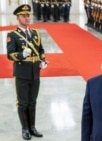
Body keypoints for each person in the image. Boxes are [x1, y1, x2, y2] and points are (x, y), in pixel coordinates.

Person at [6, 4, 47, 140]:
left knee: (32, 101)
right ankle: (25, 129)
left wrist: (42, 60)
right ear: (18, 18)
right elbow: (10, 55)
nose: (27, 17)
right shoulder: (13, 35)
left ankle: (32, 127)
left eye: (28, 15)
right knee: (23, 103)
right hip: (21, 73)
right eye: (24, 16)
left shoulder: (35, 33)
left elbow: (40, 50)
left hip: (35, 72)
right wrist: (22, 54)